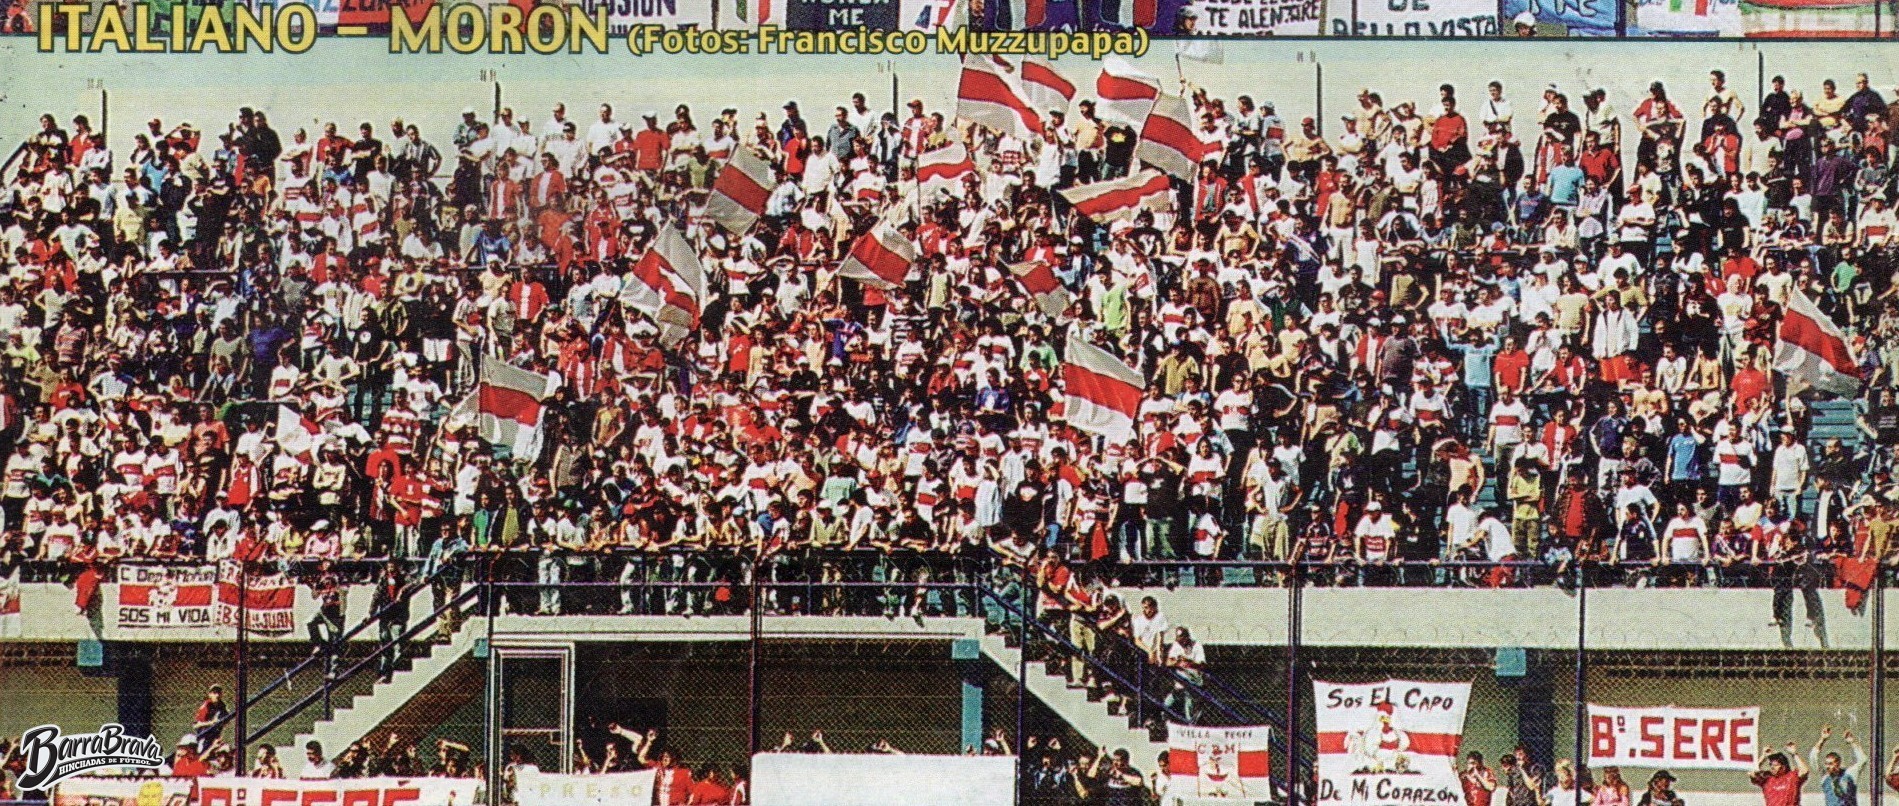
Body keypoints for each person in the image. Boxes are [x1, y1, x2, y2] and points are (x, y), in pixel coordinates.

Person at [1811, 727, 1868, 806]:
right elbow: (1813, 758)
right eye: (1826, 763)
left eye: (1830, 763)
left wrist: (1852, 742)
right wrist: (1822, 739)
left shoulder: (1850, 774)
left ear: (1838, 763)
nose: (1827, 766)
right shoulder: (1825, 776)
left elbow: (1863, 760)